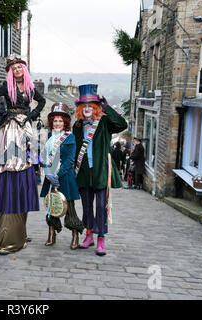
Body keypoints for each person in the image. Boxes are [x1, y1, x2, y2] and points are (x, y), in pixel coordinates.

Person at [0, 53, 46, 255]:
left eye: (20, 67)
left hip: (25, 127)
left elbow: (42, 101)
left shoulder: (30, 88)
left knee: (27, 156)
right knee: (10, 157)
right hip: (11, 126)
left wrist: (33, 115)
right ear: (10, 71)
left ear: (24, 69)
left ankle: (20, 229)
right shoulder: (6, 87)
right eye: (14, 68)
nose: (17, 70)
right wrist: (2, 112)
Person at [73, 84, 127, 256]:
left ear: (96, 107)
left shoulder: (103, 123)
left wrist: (107, 108)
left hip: (101, 171)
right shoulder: (77, 126)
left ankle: (101, 239)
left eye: (91, 105)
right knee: (87, 206)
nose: (87, 108)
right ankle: (88, 235)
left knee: (101, 207)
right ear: (80, 108)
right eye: (84, 106)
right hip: (83, 172)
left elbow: (121, 124)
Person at [40, 103, 84, 249]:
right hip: (50, 177)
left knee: (69, 208)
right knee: (51, 207)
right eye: (55, 120)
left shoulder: (69, 138)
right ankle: (51, 235)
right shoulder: (48, 138)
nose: (57, 123)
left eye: (60, 121)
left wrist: (57, 175)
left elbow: (70, 160)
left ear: (65, 122)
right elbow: (44, 157)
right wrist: (47, 172)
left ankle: (75, 236)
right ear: (51, 122)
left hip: (64, 177)